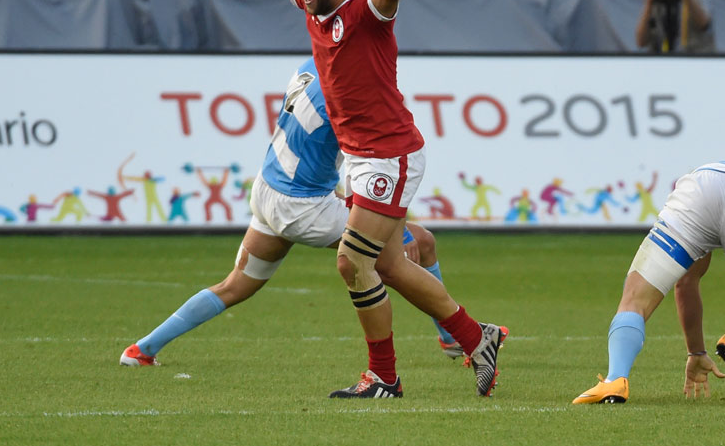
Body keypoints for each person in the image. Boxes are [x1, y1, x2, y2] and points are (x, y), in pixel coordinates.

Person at [224, 0, 506, 398]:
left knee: (352, 261)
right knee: (390, 265)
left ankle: (384, 377)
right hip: (360, 158)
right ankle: (477, 337)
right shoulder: (313, 10)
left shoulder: (366, 12)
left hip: (389, 156)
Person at [121, 60, 467, 371]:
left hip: (269, 188)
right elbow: (361, 169)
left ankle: (142, 349)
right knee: (418, 243)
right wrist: (397, 232)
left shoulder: (311, 65)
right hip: (303, 207)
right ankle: (457, 339)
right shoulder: (347, 95)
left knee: (235, 285)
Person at [572, 153, 725, 404]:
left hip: (699, 186)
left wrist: (696, 352)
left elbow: (686, 282)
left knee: (634, 299)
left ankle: (615, 379)